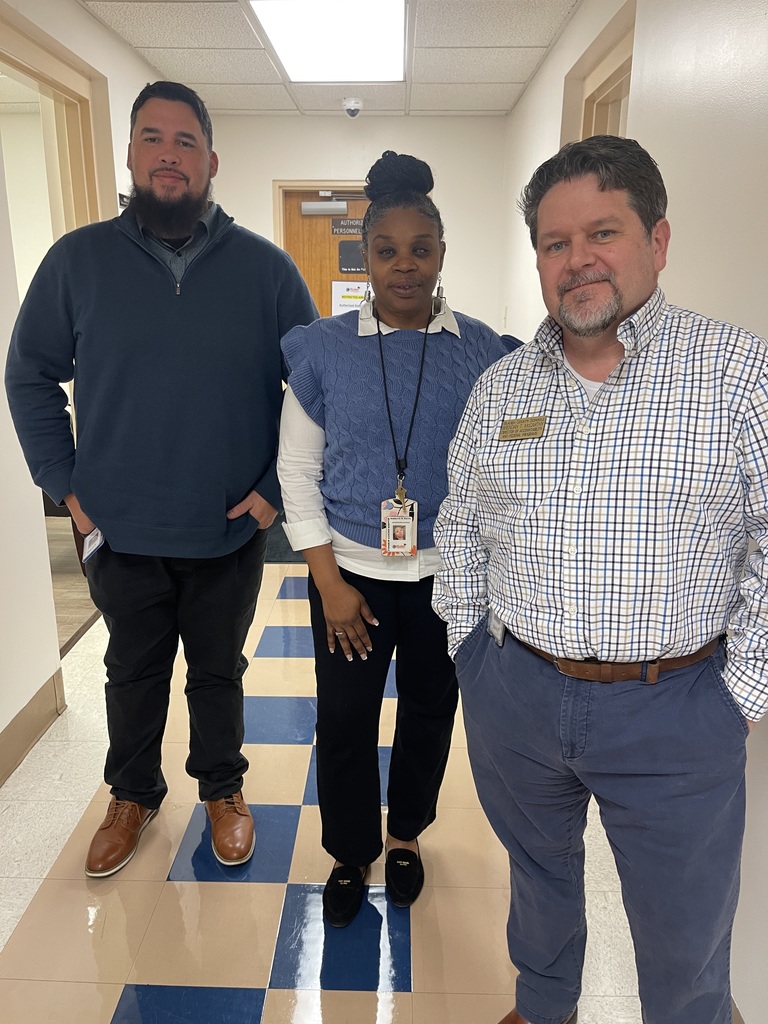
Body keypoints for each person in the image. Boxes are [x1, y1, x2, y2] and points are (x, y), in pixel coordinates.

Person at [433, 135, 766, 1024]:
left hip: (677, 710)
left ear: (657, 241)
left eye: (603, 233)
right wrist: (474, 658)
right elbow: (461, 525)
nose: (577, 260)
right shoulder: (502, 390)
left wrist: (738, 693)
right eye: (554, 242)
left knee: (683, 921)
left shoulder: (736, 375)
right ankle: (545, 1009)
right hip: (519, 698)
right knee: (539, 884)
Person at [5, 81, 317, 878]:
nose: (169, 155)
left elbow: (317, 389)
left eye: (185, 141)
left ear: (211, 160)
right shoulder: (77, 262)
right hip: (118, 526)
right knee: (131, 672)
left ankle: (222, 789)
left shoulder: (267, 270)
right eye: (152, 138)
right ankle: (133, 794)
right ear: (132, 155)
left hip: (227, 526)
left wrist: (275, 493)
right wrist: (63, 483)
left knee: (218, 671)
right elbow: (30, 372)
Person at [277, 151, 512, 927]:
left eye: (422, 249)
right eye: (387, 250)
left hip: (446, 579)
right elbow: (296, 473)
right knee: (344, 721)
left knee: (427, 711)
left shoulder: (481, 351)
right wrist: (330, 584)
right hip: (350, 575)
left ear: (442, 254)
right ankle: (350, 849)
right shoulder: (322, 349)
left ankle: (405, 832)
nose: (404, 266)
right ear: (365, 256)